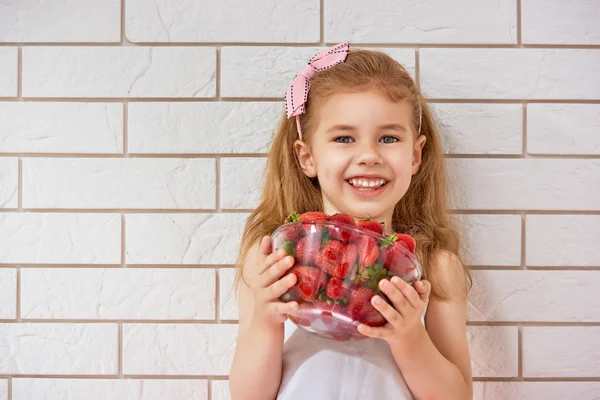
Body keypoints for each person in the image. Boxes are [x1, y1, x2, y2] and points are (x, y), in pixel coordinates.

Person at [228, 42, 473, 400]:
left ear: (416, 154)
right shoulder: (274, 258)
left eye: (388, 138)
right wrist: (267, 322)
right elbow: (248, 396)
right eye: (344, 138)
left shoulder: (434, 265)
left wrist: (409, 336)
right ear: (307, 157)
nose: (369, 156)